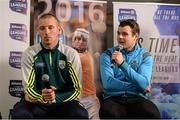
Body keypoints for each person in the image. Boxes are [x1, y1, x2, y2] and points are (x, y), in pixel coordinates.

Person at [11, 13, 88, 119]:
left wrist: (55, 97)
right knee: (20, 114)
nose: (47, 32)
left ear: (59, 30)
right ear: (38, 31)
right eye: (42, 28)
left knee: (80, 114)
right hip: (36, 103)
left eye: (51, 27)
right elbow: (28, 89)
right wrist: (42, 96)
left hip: (63, 103)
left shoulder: (70, 54)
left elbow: (77, 90)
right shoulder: (29, 53)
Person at [99, 19, 160, 119]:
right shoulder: (107, 55)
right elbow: (108, 84)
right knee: (109, 112)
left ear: (135, 36)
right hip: (114, 98)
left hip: (138, 98)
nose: (120, 37)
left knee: (152, 113)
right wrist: (138, 86)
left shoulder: (145, 56)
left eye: (124, 34)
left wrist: (122, 64)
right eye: (118, 33)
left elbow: (143, 84)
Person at [71, 28, 100, 119]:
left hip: (89, 98)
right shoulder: (71, 54)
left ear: (88, 42)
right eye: (78, 39)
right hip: (74, 98)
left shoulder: (86, 56)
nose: (80, 42)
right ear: (73, 40)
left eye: (84, 40)